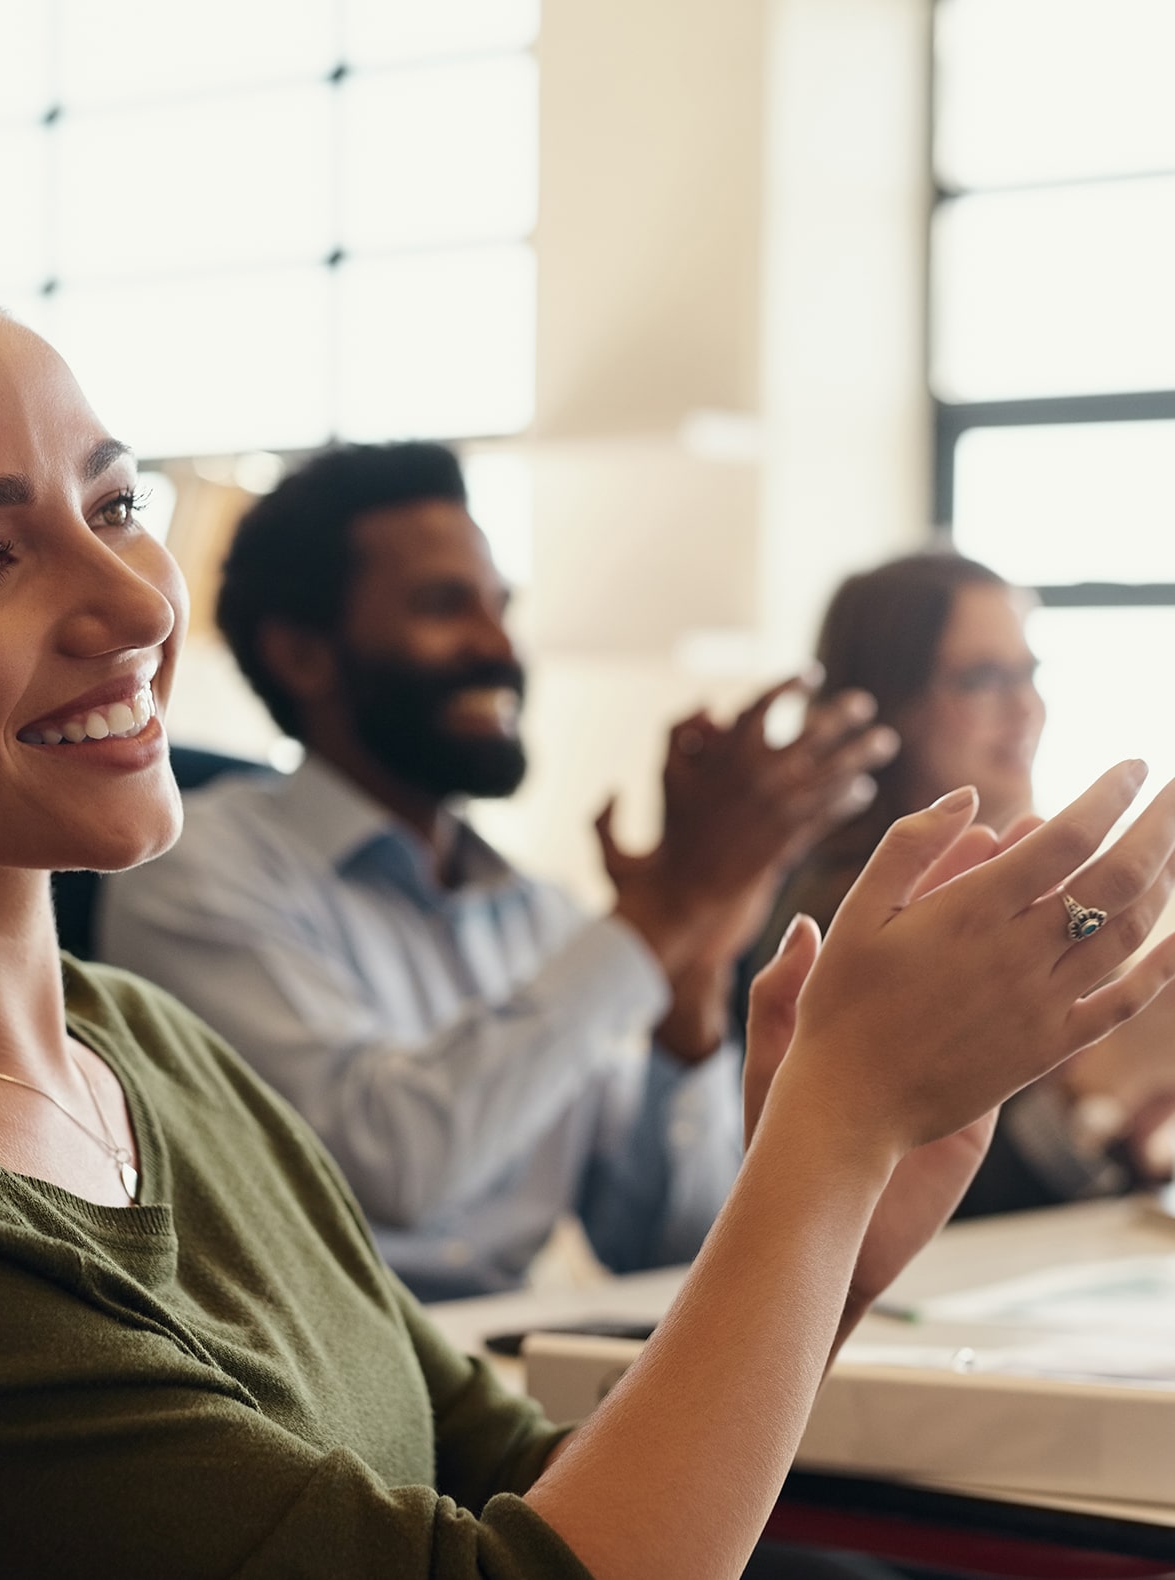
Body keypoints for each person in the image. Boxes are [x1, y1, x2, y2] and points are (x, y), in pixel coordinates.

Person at [0, 253, 1175, 1580]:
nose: (130, 599)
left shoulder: (146, 1052)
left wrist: (847, 1218)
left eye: (118, 507)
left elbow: (525, 1482)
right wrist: (832, 1128)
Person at [98, 441, 900, 1299]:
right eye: (444, 606)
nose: (497, 645)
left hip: (511, 1385)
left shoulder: (537, 918)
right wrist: (664, 915)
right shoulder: (197, 872)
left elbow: (667, 1244)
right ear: (302, 655)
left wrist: (694, 972)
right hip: (315, 1405)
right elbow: (394, 1169)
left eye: (500, 605)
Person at [748, 550, 1175, 1212]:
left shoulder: (1019, 894)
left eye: (1028, 673)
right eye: (981, 678)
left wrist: (1128, 1121)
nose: (1026, 708)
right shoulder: (830, 918)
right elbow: (886, 1209)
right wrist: (1095, 1092)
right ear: (887, 704)